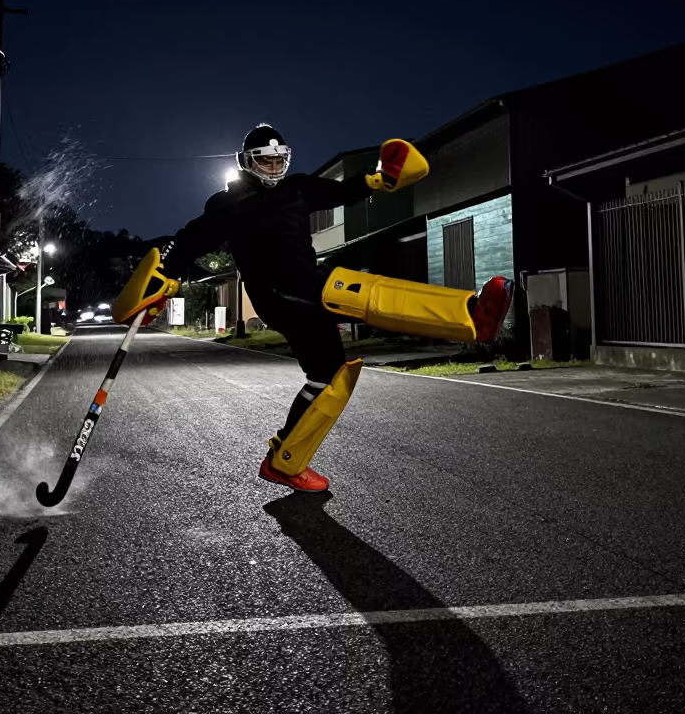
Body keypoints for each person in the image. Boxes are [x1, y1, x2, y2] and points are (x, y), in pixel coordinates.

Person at [117, 124, 514, 492]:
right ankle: (470, 315)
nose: (272, 167)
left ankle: (286, 463)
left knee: (329, 376)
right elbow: (190, 240)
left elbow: (346, 191)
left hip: (307, 282)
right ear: (246, 162)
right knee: (350, 288)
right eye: (263, 160)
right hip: (278, 292)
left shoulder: (299, 188)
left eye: (278, 160)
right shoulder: (229, 203)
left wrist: (380, 178)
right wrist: (161, 279)